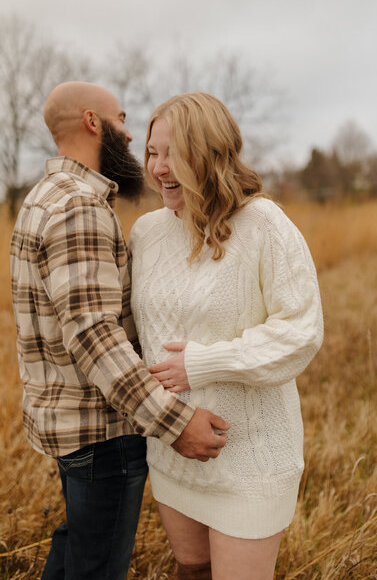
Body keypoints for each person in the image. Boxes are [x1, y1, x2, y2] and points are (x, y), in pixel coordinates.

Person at [9, 82, 229, 580]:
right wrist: (174, 421)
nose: (129, 136)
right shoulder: (80, 207)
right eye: (123, 120)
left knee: (77, 548)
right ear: (93, 122)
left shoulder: (41, 197)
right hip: (102, 434)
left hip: (68, 429)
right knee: (98, 566)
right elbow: (94, 337)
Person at [129, 92, 324, 580]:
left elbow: (300, 332)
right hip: (172, 450)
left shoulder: (264, 225)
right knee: (190, 571)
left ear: (212, 152)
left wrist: (204, 363)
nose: (159, 167)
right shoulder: (146, 233)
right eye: (152, 152)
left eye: (174, 152)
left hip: (249, 459)